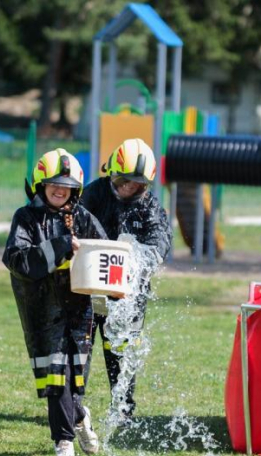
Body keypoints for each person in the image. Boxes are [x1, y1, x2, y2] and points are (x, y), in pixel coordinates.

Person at [2, 149, 106, 456]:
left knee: (73, 378)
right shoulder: (26, 218)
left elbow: (105, 253)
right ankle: (64, 442)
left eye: (67, 186)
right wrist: (60, 247)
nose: (60, 190)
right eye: (54, 184)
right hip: (42, 310)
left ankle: (79, 416)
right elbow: (17, 259)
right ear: (41, 185)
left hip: (79, 312)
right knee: (55, 377)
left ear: (76, 190)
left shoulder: (84, 218)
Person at [80, 138, 172, 418]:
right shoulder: (92, 194)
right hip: (87, 287)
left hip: (127, 294)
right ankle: (72, 409)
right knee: (80, 347)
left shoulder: (149, 206)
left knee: (121, 349)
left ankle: (123, 410)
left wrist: (142, 262)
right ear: (113, 174)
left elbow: (161, 240)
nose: (130, 188)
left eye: (138, 184)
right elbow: (72, 225)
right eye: (125, 181)